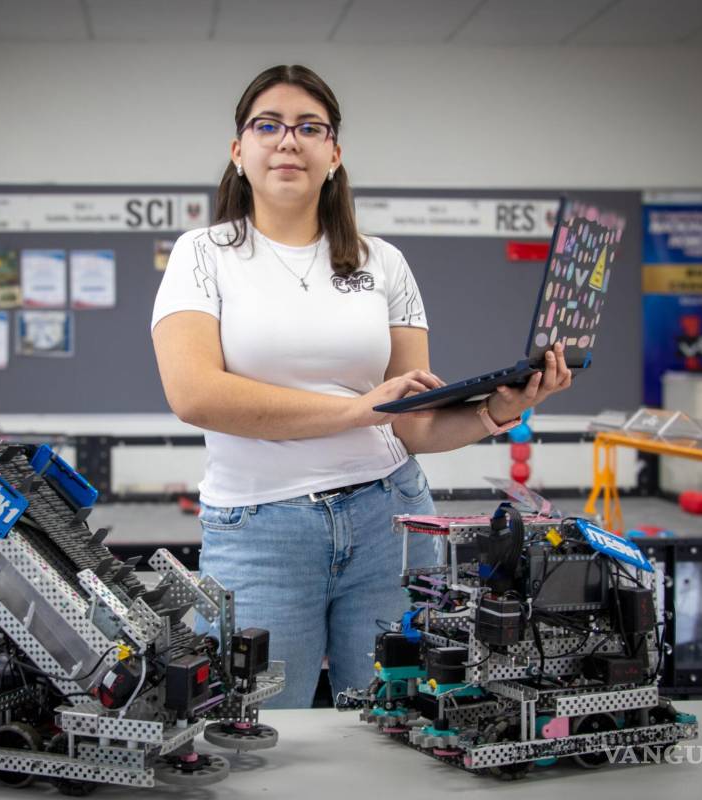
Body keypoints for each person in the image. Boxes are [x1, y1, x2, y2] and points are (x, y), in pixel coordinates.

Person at [150, 65, 572, 708]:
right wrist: (355, 410)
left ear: (334, 153)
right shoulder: (201, 255)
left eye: (309, 127)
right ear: (239, 151)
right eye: (268, 125)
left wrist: (497, 410)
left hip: (387, 518)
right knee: (261, 728)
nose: (288, 140)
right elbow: (195, 395)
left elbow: (410, 423)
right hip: (260, 530)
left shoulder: (383, 263)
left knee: (397, 716)